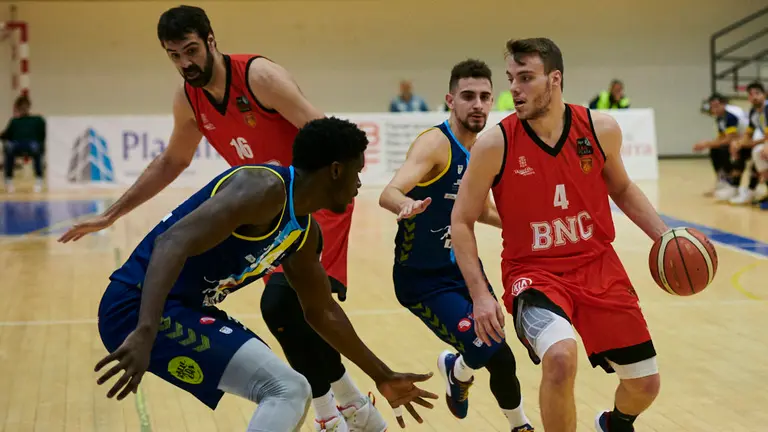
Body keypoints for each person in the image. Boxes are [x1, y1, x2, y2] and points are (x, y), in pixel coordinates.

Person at [58, 6, 384, 430]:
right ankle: (341, 409)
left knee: (288, 302)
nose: (185, 63)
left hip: (311, 199)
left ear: (211, 39)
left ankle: (341, 410)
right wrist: (111, 214)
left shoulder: (259, 78)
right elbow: (173, 159)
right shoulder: (188, 97)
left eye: (191, 50)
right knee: (287, 314)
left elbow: (328, 141)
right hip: (264, 209)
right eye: (174, 56)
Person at [94, 117, 437, 432]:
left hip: (186, 308)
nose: (360, 183)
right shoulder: (261, 187)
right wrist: (145, 330)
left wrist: (382, 375)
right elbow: (170, 243)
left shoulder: (303, 231)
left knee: (291, 388)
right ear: (335, 170)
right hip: (137, 306)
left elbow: (322, 311)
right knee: (287, 389)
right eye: (356, 172)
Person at [451, 38, 666, 432]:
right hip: (534, 274)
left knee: (644, 385)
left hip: (599, 268)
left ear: (555, 79)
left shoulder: (599, 129)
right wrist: (481, 295)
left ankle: (615, 423)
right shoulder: (495, 144)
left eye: (526, 78)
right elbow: (461, 220)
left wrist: (665, 237)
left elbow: (621, 188)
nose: (514, 88)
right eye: (511, 78)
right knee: (561, 358)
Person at [378, 59, 534, 432]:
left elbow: (477, 209)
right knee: (486, 346)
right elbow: (389, 191)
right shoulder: (436, 143)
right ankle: (459, 369)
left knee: (502, 356)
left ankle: (517, 423)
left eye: (484, 97)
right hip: (423, 280)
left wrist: (526, 225)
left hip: (463, 267)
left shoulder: (483, 150)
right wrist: (406, 205)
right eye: (468, 96)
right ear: (451, 100)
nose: (477, 104)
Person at [692, 93, 749, 201]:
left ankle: (733, 185)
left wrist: (706, 144)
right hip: (738, 141)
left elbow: (730, 139)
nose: (714, 109)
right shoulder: (720, 117)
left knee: (725, 151)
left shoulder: (730, 116)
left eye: (717, 106)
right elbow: (722, 137)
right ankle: (723, 181)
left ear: (724, 104)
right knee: (715, 149)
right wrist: (707, 143)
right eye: (712, 107)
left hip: (747, 141)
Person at [730, 81, 768, 206]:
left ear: (765, 94)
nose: (754, 96)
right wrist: (738, 143)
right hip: (764, 140)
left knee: (759, 151)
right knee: (744, 150)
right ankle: (735, 187)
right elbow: (748, 133)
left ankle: (751, 190)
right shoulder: (753, 112)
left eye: (758, 93)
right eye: (751, 94)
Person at [1, 95, 46, 193]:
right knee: (8, 147)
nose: (23, 108)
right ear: (17, 108)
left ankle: (39, 179)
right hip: (16, 146)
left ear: (29, 107)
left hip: (32, 145)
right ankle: (9, 180)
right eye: (21, 106)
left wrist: (41, 143)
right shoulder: (14, 121)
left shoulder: (37, 120)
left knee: (36, 148)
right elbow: (6, 135)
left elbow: (43, 133)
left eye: (25, 106)